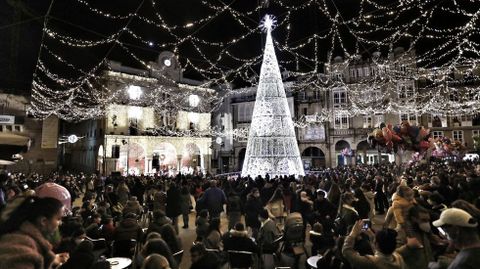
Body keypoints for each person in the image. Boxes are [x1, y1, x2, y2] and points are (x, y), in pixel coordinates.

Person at [0, 197, 69, 269]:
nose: (60, 223)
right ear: (43, 221)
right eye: (58, 219)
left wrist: (52, 260)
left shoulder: (23, 238)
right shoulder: (24, 251)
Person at [342, 220, 407, 269]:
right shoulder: (398, 257)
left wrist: (353, 233)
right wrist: (371, 234)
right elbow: (379, 252)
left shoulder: (371, 263)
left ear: (377, 245)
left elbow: (346, 251)